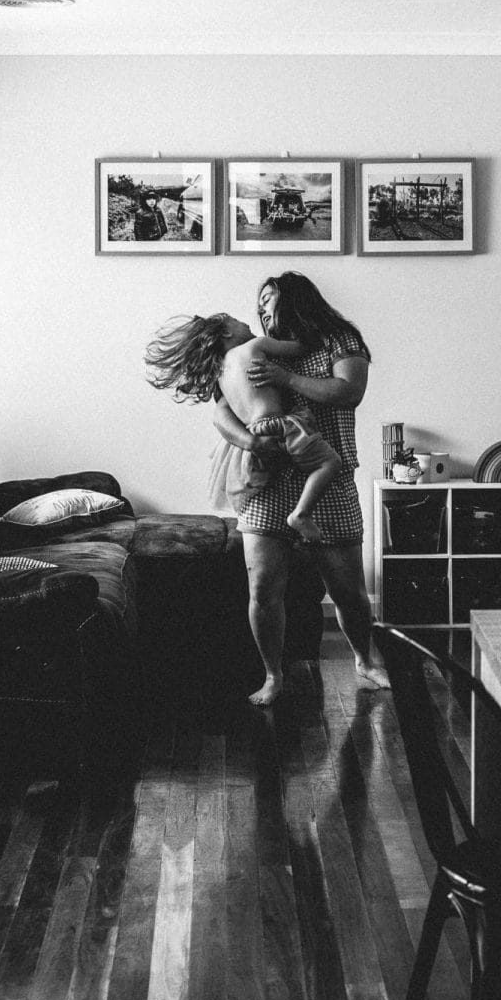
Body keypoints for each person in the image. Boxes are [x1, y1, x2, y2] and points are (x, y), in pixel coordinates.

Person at [214, 272, 387, 705]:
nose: (260, 312)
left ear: (294, 301)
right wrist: (252, 441)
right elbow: (219, 410)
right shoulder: (247, 349)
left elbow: (349, 391)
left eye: (268, 301)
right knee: (263, 588)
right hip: (266, 481)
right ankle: (273, 676)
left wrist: (284, 378)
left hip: (329, 480)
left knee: (347, 590)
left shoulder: (338, 340)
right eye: (257, 305)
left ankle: (365, 662)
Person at [143, 313, 342, 542]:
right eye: (235, 320)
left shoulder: (220, 374)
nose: (245, 321)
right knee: (329, 463)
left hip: (254, 432)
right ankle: (300, 514)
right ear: (227, 331)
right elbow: (300, 348)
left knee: (271, 490)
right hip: (280, 426)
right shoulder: (256, 345)